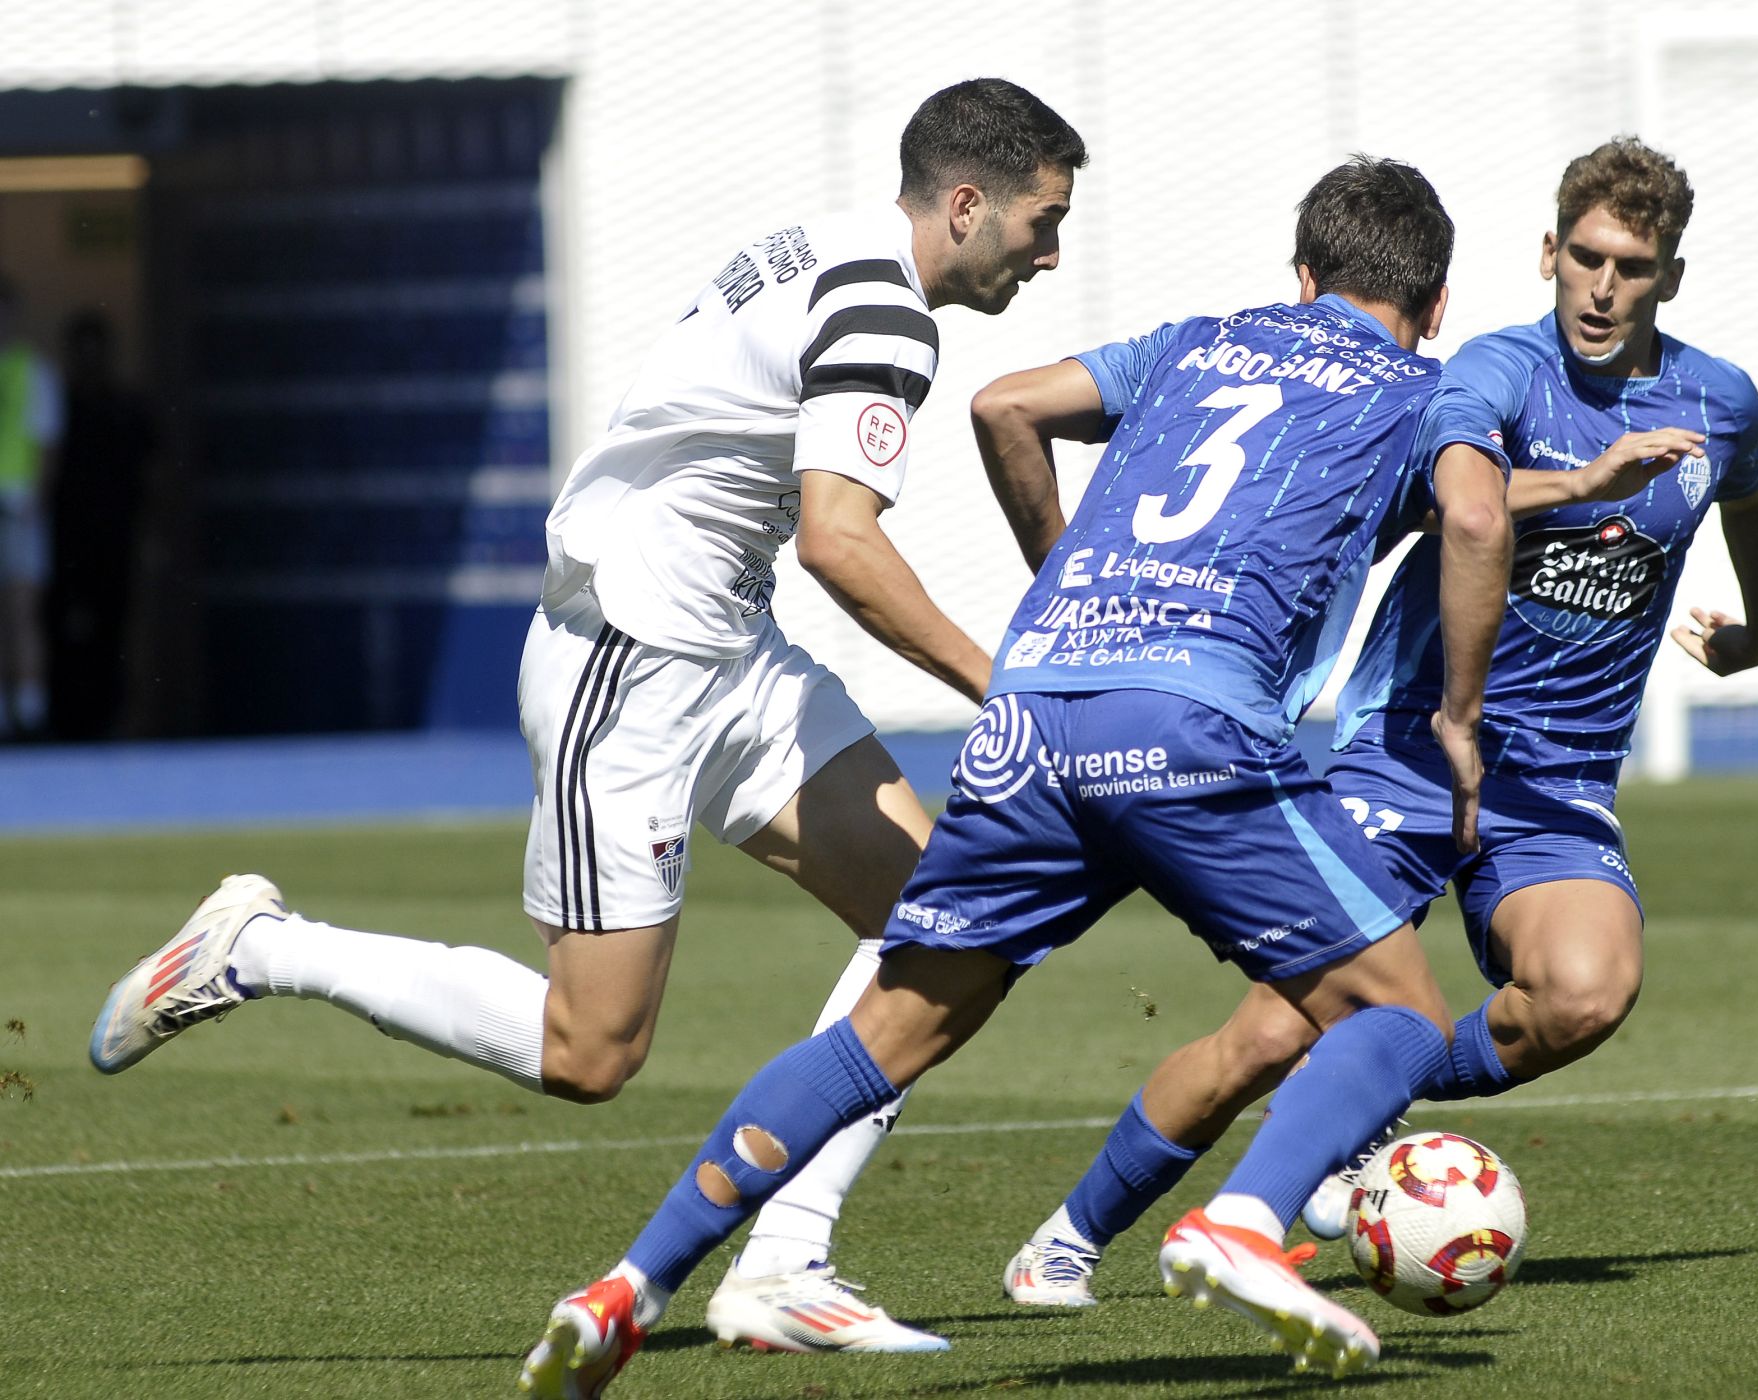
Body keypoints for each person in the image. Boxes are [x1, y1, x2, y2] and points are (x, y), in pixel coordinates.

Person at [88, 77, 1087, 1354]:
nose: (1050, 253)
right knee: (590, 1050)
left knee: (949, 919)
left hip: (727, 647)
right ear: (967, 203)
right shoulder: (884, 310)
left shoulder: (831, 243)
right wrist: (1006, 686)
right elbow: (842, 543)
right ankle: (262, 947)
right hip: (628, 659)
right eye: (1042, 221)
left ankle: (784, 1261)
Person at [513, 156, 1513, 1396]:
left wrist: (1065, 599)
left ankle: (632, 1282)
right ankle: (1243, 1222)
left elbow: (1004, 406)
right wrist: (1459, 717)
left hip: (1034, 707)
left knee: (893, 1024)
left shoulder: (1198, 341)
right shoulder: (1430, 384)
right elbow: (1476, 521)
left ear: (1302, 276)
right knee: (1399, 1013)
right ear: (1439, 299)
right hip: (1191, 715)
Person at [999, 135, 1758, 1307]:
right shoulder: (1490, 376)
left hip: (1557, 777)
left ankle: (1367, 1108)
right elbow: (1463, 497)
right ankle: (1070, 1234)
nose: (1604, 286)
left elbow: (1757, 492)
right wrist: (1577, 485)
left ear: (1670, 273)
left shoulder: (1715, 398)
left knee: (1583, 992)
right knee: (1270, 1032)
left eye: (1633, 264)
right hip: (1413, 743)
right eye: (1584, 258)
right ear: (1547, 254)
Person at [48, 311, 157, 740]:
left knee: (113, 634)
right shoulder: (61, 407)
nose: (90, 361)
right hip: (67, 539)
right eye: (82, 351)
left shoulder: (128, 409)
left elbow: (153, 477)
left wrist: (152, 535)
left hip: (116, 538)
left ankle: (112, 721)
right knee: (62, 630)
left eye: (97, 351)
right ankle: (65, 723)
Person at [0, 274, 64, 739]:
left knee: (23, 611)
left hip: (19, 504)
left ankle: (30, 710)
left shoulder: (32, 370)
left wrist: (37, 502)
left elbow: (47, 445)